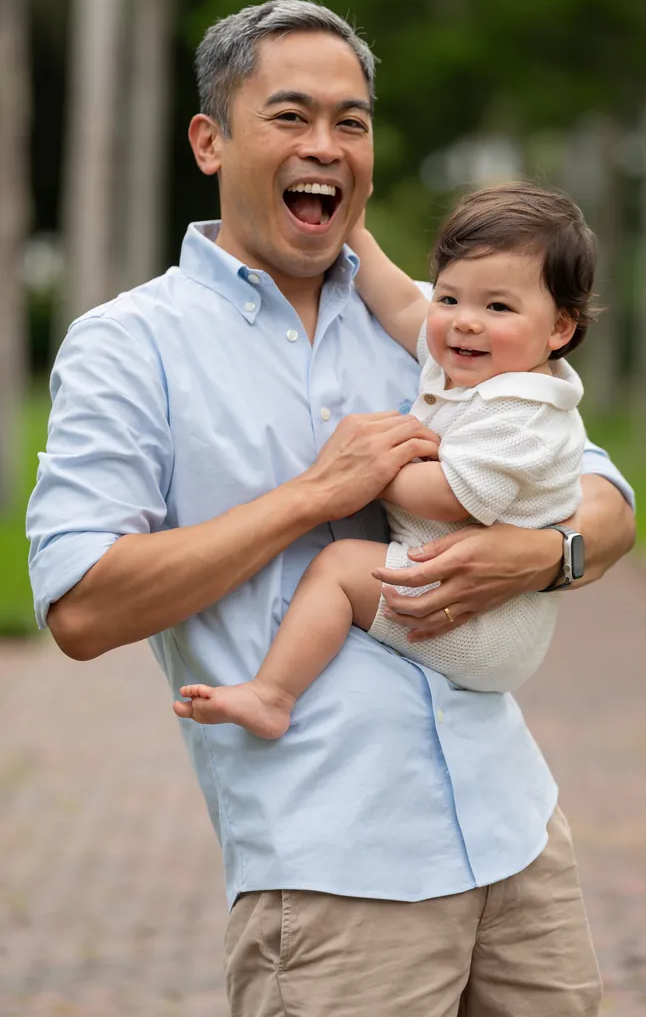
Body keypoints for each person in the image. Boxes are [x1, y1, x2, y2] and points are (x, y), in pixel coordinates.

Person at [28, 0, 635, 1017]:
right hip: (332, 867)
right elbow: (82, 606)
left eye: (350, 121)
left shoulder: (430, 316)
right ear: (210, 140)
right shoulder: (128, 345)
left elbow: (603, 494)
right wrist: (314, 494)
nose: (326, 145)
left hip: (514, 827)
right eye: (291, 116)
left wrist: (542, 555)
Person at [175, 182, 595, 738]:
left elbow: (452, 493)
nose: (464, 320)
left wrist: (369, 473)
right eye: (450, 298)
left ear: (559, 328)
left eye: (497, 306)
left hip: (485, 621)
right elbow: (399, 302)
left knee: (341, 570)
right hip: (463, 593)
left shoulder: (526, 411)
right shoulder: (468, 363)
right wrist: (355, 233)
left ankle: (272, 694)